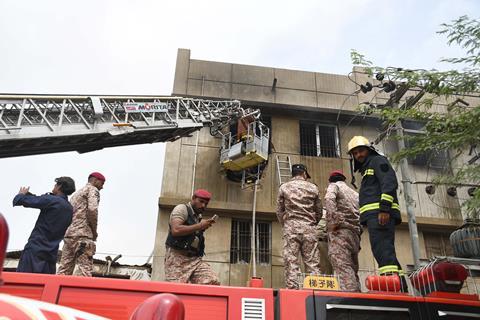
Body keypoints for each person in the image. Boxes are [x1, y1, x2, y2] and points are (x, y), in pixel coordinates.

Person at [347, 136, 405, 280]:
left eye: (361, 151)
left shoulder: (377, 161)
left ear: (369, 150)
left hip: (380, 215)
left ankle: (391, 285)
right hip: (375, 216)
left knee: (383, 250)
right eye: (355, 153)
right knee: (384, 251)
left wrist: (384, 209)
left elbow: (389, 183)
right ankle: (400, 284)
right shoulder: (368, 167)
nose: (358, 155)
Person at [13, 177, 76, 274]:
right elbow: (40, 199)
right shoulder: (69, 209)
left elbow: (23, 201)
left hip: (35, 251)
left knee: (22, 284)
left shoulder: (51, 200)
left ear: (59, 186)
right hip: (51, 256)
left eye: (55, 185)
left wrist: (21, 195)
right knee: (43, 286)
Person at [277, 164, 322, 289]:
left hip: (291, 228)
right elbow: (319, 211)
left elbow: (279, 211)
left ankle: (293, 291)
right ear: (304, 174)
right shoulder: (313, 188)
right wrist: (312, 223)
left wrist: (285, 224)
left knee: (291, 260)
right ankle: (315, 290)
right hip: (309, 228)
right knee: (312, 262)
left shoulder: (284, 187)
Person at [164, 189, 220, 285]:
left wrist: (201, 228)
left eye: (206, 203)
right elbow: (176, 230)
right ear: (193, 198)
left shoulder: (198, 217)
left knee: (212, 281)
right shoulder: (182, 209)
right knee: (176, 289)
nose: (203, 206)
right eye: (201, 202)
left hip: (194, 259)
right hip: (177, 258)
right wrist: (200, 226)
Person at [57, 172, 105, 277]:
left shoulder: (76, 195)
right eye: (102, 183)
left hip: (69, 235)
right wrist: (94, 231)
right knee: (85, 270)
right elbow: (92, 210)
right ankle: (82, 293)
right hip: (83, 235)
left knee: (63, 270)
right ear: (95, 180)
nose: (103, 187)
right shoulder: (93, 190)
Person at [324, 170, 361, 292]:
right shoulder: (355, 193)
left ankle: (351, 298)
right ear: (344, 179)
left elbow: (329, 199)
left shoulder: (334, 186)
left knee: (343, 266)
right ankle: (358, 293)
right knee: (352, 268)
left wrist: (333, 222)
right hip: (354, 234)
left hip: (340, 232)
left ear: (330, 180)